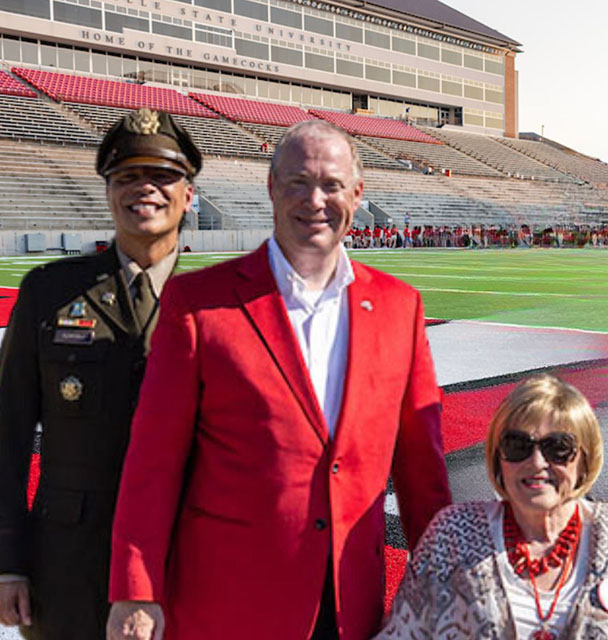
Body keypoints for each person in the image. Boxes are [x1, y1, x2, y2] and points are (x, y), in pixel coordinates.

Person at [105, 119, 452, 640]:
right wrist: (136, 589)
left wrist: (442, 580)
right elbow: (153, 461)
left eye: (332, 184)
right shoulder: (198, 304)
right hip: (229, 604)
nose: (315, 199)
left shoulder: (401, 308)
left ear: (357, 195)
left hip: (348, 604)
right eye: (298, 182)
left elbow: (421, 470)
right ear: (271, 189)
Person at [0, 108, 200, 639]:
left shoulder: (219, 304)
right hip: (67, 564)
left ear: (188, 191)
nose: (145, 189)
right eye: (127, 176)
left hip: (185, 560)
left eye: (161, 176)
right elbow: (8, 435)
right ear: (108, 190)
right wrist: (7, 561)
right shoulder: (49, 293)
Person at [377, 374, 608, 640]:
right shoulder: (453, 533)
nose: (537, 462)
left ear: (584, 459)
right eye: (518, 446)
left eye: (558, 448)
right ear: (498, 458)